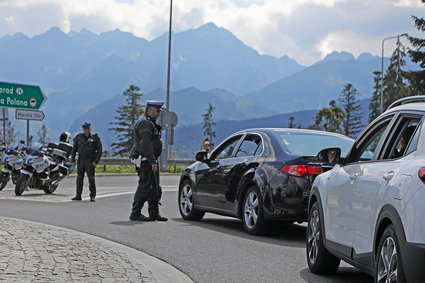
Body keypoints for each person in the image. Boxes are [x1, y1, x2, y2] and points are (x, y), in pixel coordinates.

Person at [129, 101, 167, 222]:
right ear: (150, 110)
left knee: (155, 188)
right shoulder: (145, 123)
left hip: (150, 160)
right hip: (146, 161)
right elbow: (145, 143)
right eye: (157, 111)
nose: (159, 113)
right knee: (145, 186)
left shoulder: (148, 122)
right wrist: (152, 161)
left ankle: (154, 213)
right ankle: (135, 212)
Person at [70, 121, 102, 202]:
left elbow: (99, 150)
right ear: (83, 129)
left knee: (91, 179)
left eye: (87, 128)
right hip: (81, 160)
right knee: (79, 178)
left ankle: (92, 196)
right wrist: (73, 160)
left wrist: (96, 161)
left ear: (90, 129)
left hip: (90, 161)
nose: (86, 130)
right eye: (85, 128)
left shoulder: (95, 138)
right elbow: (74, 149)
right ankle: (78, 195)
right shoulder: (78, 137)